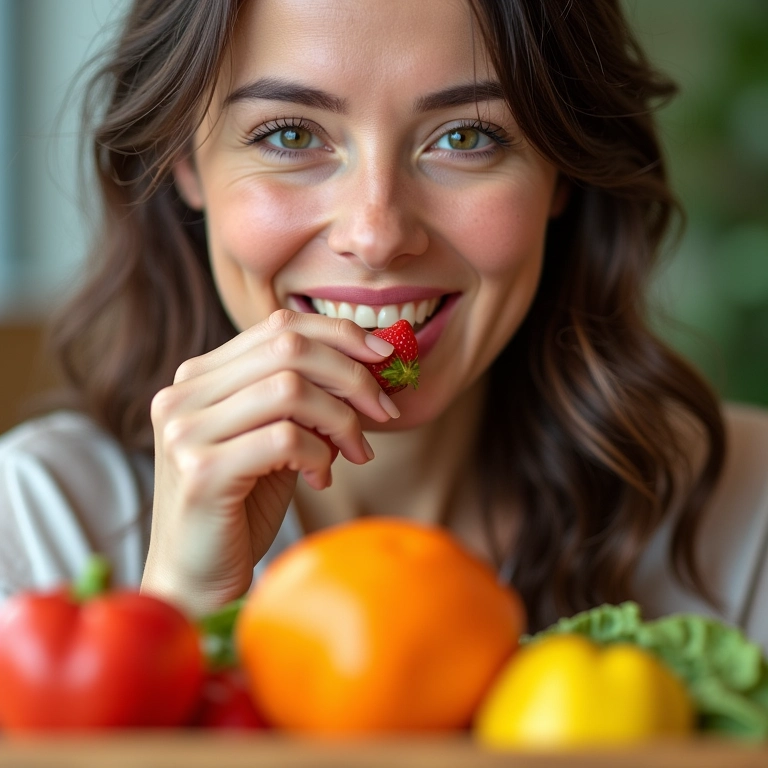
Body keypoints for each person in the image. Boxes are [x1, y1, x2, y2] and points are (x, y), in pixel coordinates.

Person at [1, 0, 767, 648]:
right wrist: (177, 619)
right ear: (187, 166)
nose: (376, 233)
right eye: (291, 135)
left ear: (561, 170)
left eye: (465, 137)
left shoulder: (748, 518)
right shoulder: (37, 525)